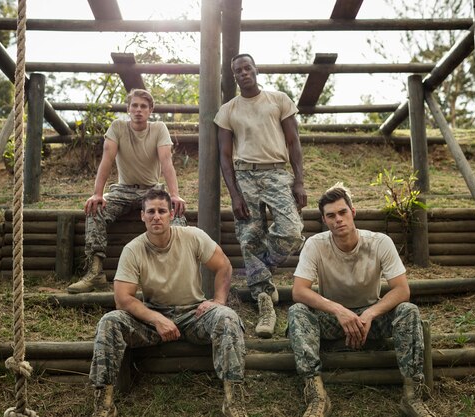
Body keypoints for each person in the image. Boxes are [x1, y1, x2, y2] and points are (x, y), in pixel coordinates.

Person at [89, 189, 248, 417]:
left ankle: (234, 401)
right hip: (153, 317)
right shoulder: (133, 250)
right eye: (151, 211)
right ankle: (104, 403)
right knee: (110, 322)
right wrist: (156, 319)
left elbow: (224, 266)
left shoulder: (192, 236)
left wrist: (218, 301)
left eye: (162, 211)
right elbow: (122, 299)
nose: (156, 216)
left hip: (194, 313)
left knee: (228, 318)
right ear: (142, 216)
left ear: (171, 214)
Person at [287, 183, 435, 417]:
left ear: (353, 212)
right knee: (297, 311)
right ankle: (317, 396)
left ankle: (412, 396)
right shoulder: (315, 245)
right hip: (333, 320)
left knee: (408, 310)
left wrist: (370, 313)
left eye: (343, 212)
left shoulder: (379, 242)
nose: (338, 220)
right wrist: (338, 310)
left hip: (371, 319)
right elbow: (299, 291)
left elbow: (401, 290)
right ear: (325, 220)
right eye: (331, 215)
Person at [214, 53, 306, 339]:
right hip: (245, 175)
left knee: (292, 230)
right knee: (249, 238)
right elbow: (225, 157)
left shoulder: (279, 100)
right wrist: (235, 195)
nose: (243, 73)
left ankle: (259, 272)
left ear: (256, 70)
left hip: (277, 172)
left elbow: (294, 142)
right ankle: (265, 304)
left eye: (247, 68)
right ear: (234, 76)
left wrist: (299, 181)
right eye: (237, 70)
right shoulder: (228, 110)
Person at [68, 89, 187, 294]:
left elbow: (166, 162)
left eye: (143, 106)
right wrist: (98, 193)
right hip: (123, 190)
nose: (138, 110)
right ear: (128, 108)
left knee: (176, 217)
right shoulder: (117, 127)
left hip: (151, 190)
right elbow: (106, 159)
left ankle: (174, 274)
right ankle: (95, 272)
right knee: (95, 209)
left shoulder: (159, 128)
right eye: (135, 105)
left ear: (150, 110)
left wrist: (174, 194)